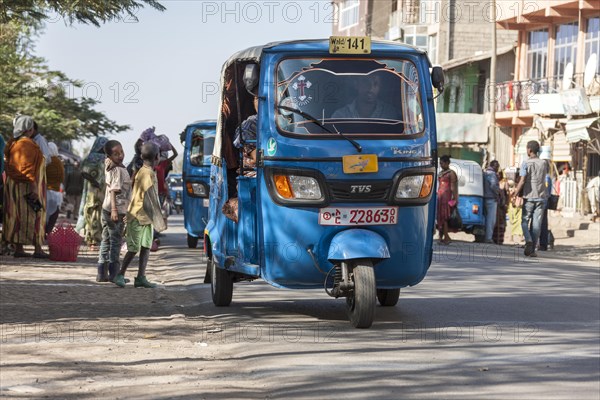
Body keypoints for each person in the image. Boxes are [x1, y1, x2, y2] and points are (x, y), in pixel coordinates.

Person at [113, 142, 165, 288]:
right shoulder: (147, 173)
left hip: (145, 217)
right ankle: (120, 274)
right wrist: (159, 218)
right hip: (137, 216)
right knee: (134, 248)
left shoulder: (144, 171)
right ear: (157, 157)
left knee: (146, 246)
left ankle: (141, 277)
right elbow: (151, 197)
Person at [2, 115, 48, 258]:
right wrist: (34, 188)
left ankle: (19, 249)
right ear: (29, 129)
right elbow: (28, 169)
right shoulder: (26, 145)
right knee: (35, 215)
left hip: (14, 188)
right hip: (28, 188)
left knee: (16, 217)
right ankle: (38, 249)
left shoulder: (12, 143)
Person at [96, 140, 131, 282]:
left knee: (106, 240)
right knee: (116, 241)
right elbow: (113, 190)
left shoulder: (110, 165)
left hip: (106, 208)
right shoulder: (117, 169)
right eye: (116, 154)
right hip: (115, 209)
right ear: (109, 156)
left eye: (121, 152)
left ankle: (101, 273)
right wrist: (115, 210)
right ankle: (114, 274)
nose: (120, 155)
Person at [513, 140, 549, 257]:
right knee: (536, 225)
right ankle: (532, 250)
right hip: (541, 197)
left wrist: (515, 193)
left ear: (529, 150)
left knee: (524, 221)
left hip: (529, 197)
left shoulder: (526, 164)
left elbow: (522, 180)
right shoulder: (544, 163)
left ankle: (528, 240)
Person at [76, 137, 108, 247]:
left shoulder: (88, 157)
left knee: (89, 211)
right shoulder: (106, 158)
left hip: (89, 190)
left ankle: (90, 237)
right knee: (99, 213)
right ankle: (96, 238)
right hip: (102, 191)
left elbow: (81, 170)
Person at [332, 74, 400, 120]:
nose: (370, 88)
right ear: (356, 85)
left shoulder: (389, 113)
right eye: (366, 82)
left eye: (375, 84)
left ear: (380, 87)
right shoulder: (340, 115)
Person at [436, 155, 459, 245]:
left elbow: (453, 187)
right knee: (440, 217)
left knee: (445, 217)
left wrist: (455, 199)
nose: (441, 165)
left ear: (447, 163)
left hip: (446, 197)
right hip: (440, 196)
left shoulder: (451, 173)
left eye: (442, 163)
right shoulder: (442, 172)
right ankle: (441, 237)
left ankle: (446, 237)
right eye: (440, 163)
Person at [45, 142, 65, 236]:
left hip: (44, 191)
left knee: (44, 213)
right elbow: (62, 178)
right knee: (53, 213)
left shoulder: (45, 161)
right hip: (55, 192)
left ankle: (42, 231)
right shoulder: (58, 162)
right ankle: (48, 232)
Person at [483, 160, 500, 244]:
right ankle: (488, 238)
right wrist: (498, 192)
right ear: (494, 166)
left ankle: (485, 236)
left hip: (484, 198)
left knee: (486, 218)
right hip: (491, 199)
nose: (498, 168)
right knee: (491, 219)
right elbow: (493, 185)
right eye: (497, 166)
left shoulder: (485, 173)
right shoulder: (492, 174)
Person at [493, 170, 509, 245]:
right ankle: (494, 239)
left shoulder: (504, 183)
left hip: (501, 206)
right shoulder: (494, 182)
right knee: (494, 222)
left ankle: (500, 240)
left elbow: (507, 194)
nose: (498, 175)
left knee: (501, 223)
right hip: (496, 205)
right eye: (497, 174)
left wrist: (506, 204)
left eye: (499, 174)